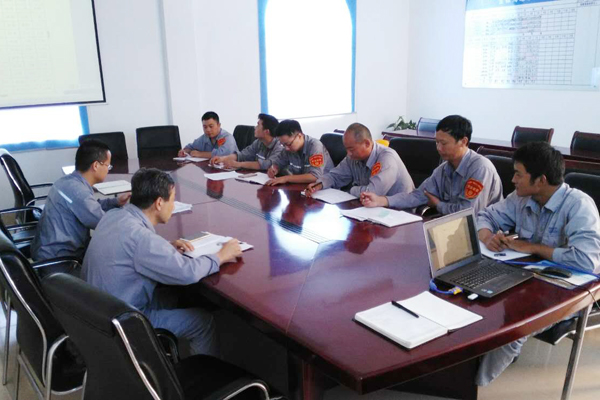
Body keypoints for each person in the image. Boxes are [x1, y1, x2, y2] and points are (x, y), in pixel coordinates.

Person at [475, 141, 600, 386]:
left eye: (518, 174)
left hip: (568, 291)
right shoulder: (522, 198)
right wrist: (487, 236)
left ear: (540, 180)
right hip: (526, 279)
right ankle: (462, 371)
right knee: (477, 300)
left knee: (514, 330)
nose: (513, 180)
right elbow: (485, 215)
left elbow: (587, 261)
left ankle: (475, 386)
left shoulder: (578, 205)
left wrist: (532, 248)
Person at [82, 168, 242, 356]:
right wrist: (221, 256)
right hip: (125, 323)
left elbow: (133, 249)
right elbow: (187, 273)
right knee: (203, 323)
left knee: (174, 297)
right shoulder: (143, 239)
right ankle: (200, 372)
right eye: (172, 200)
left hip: (99, 311)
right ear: (159, 203)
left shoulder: (114, 215)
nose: (173, 206)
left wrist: (165, 247)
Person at [360, 115, 502, 215]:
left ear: (463, 142)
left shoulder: (480, 169)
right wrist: (381, 200)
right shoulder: (444, 169)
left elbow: (468, 213)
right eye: (436, 142)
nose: (438, 148)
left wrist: (438, 205)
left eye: (443, 143)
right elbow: (418, 195)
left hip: (484, 235)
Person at [31, 140, 130, 261]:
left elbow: (89, 206)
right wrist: (137, 219)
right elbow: (104, 224)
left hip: (47, 250)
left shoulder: (67, 182)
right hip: (60, 261)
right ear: (96, 165)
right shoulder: (78, 192)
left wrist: (116, 201)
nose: (108, 170)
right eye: (108, 166)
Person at [305, 122, 414, 198]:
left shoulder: (386, 158)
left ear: (367, 143)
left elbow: (372, 193)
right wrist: (319, 185)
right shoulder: (353, 157)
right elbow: (335, 176)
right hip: (372, 209)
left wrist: (351, 190)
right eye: (346, 149)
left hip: (400, 213)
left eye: (351, 149)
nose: (348, 153)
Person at [265, 119, 333, 186]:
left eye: (288, 144)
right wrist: (274, 168)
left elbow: (315, 176)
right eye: (283, 145)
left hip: (325, 189)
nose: (286, 148)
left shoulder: (315, 147)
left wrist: (286, 178)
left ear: (299, 136)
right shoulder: (289, 148)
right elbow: (278, 163)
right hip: (303, 187)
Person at [210, 113, 283, 170]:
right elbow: (242, 155)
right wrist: (223, 159)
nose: (255, 127)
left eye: (258, 125)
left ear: (266, 131)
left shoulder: (279, 146)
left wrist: (238, 164)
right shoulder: (258, 142)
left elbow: (266, 165)